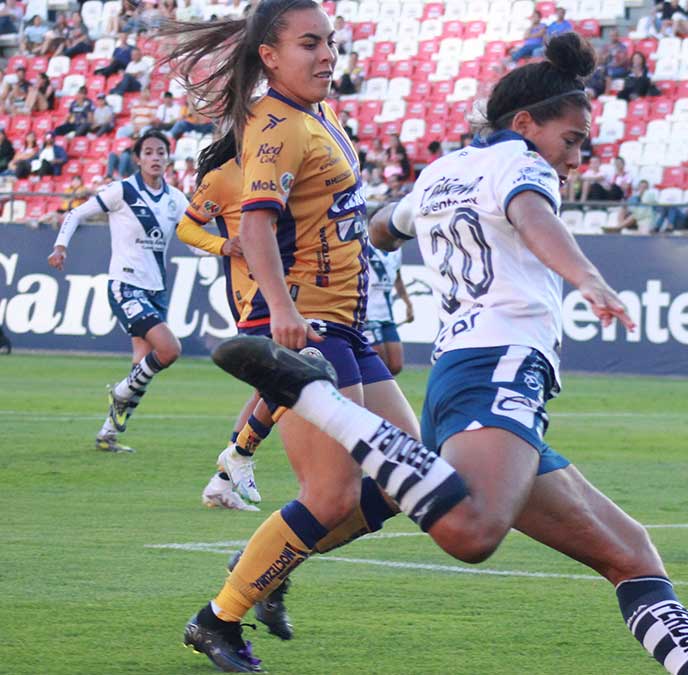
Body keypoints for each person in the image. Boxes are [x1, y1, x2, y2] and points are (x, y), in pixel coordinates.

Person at [212, 30, 688, 675]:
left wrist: (398, 237)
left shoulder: (443, 170)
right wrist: (586, 277)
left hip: (467, 368)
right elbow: (534, 215)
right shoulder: (523, 164)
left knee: (631, 553)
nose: (574, 158)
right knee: (472, 531)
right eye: (571, 140)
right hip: (502, 363)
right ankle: (315, 398)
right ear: (525, 124)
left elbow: (382, 226)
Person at [163, 3, 444, 670]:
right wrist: (283, 312)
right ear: (269, 55)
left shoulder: (319, 113)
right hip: (305, 329)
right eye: (309, 44)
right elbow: (256, 224)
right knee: (331, 495)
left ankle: (264, 561)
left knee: (404, 476)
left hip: (344, 324)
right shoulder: (276, 126)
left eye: (331, 42)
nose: (326, 55)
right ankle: (218, 617)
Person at [46, 130, 188, 453]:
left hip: (156, 290)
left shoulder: (175, 199)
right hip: (125, 285)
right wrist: (60, 246)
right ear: (137, 159)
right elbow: (77, 213)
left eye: (161, 152)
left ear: (168, 158)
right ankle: (120, 392)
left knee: (142, 366)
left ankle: (107, 434)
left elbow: (194, 234)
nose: (155, 157)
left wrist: (225, 249)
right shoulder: (122, 190)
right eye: (149, 152)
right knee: (169, 350)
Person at [170, 131, 266, 514]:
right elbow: (187, 227)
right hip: (250, 293)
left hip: (289, 285)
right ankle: (235, 461)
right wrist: (223, 245)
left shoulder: (278, 169)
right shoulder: (224, 177)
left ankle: (224, 477)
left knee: (270, 387)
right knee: (274, 384)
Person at [364, 242, 412, 375]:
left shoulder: (396, 249)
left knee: (396, 365)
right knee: (377, 364)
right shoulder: (365, 244)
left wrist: (408, 303)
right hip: (368, 314)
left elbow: (397, 278)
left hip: (387, 315)